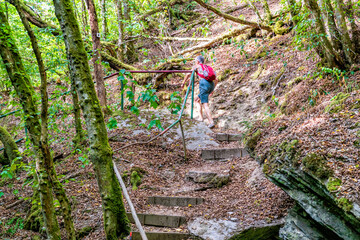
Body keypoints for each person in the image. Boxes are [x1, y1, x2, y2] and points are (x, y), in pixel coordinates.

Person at [181, 55, 217, 128]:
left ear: (197, 61)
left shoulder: (197, 66)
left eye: (195, 61)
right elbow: (216, 79)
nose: (195, 62)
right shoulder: (207, 68)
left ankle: (211, 122)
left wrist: (183, 82)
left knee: (205, 104)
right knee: (197, 100)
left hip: (204, 84)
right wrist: (212, 90)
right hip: (211, 84)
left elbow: (188, 74)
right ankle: (201, 118)